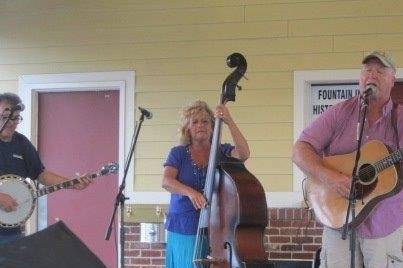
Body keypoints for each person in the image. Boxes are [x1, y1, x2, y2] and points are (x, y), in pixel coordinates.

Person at [293, 51, 403, 268]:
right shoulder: (339, 113)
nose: (372, 75)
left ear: (392, 79)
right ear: (360, 78)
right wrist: (331, 178)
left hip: (384, 224)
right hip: (338, 222)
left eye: (380, 71)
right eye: (367, 70)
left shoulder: (399, 117)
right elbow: (299, 150)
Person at [162, 100, 250, 268]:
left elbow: (244, 153)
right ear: (187, 128)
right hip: (184, 225)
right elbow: (167, 181)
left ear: (212, 126)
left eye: (205, 121)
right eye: (194, 122)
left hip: (216, 225)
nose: (200, 125)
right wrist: (191, 192)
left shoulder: (222, 151)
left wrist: (229, 120)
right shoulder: (178, 153)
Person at [0, 92, 91, 245]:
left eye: (15, 118)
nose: (11, 122)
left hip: (11, 232)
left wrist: (72, 183)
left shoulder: (22, 144)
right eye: (5, 117)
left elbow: (40, 174)